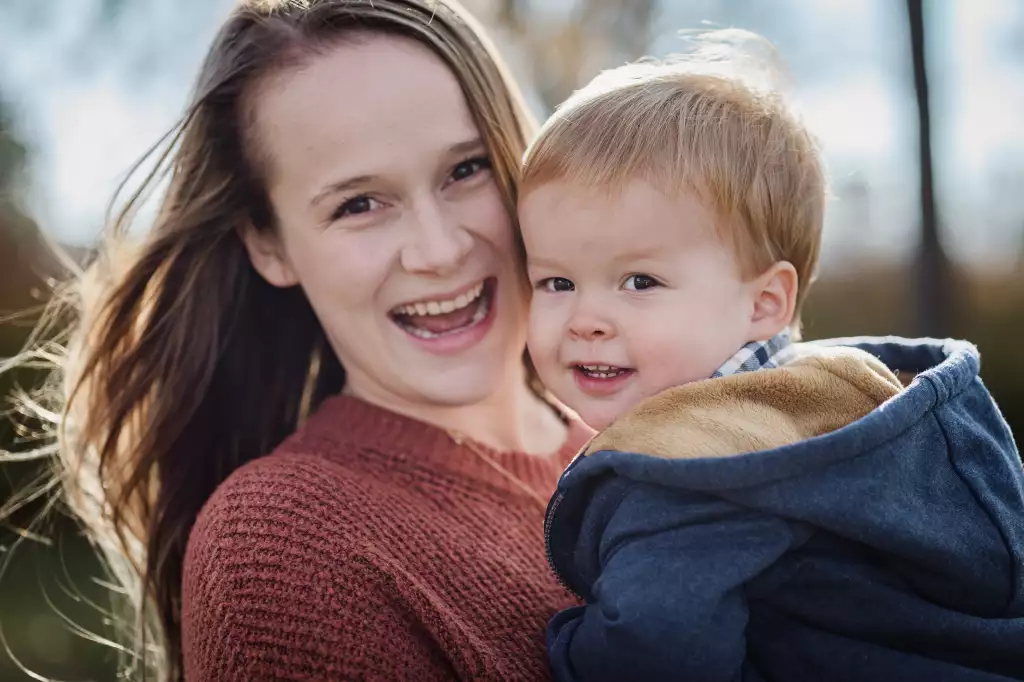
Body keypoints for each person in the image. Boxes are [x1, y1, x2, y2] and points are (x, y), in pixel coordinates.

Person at [13, 1, 594, 680]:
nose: (438, 250)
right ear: (269, 245)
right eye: (358, 204)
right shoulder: (282, 549)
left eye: (465, 170)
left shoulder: (659, 435)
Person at [516, 30, 1024, 682]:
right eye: (557, 282)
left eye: (640, 281)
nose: (585, 319)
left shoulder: (689, 471)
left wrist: (561, 641)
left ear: (763, 303)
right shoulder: (855, 397)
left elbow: (656, 657)